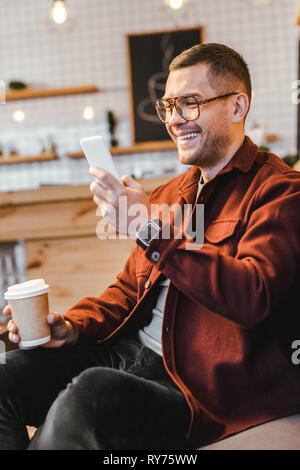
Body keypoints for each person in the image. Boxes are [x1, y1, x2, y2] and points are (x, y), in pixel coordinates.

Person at [1, 42, 300, 450]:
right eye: (169, 106)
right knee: (6, 375)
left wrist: (147, 226)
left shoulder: (280, 192)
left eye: (190, 103)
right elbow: (128, 290)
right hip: (132, 352)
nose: (175, 120)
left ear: (237, 106)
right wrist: (71, 327)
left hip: (199, 385)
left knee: (90, 396)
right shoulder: (169, 194)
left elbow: (253, 295)